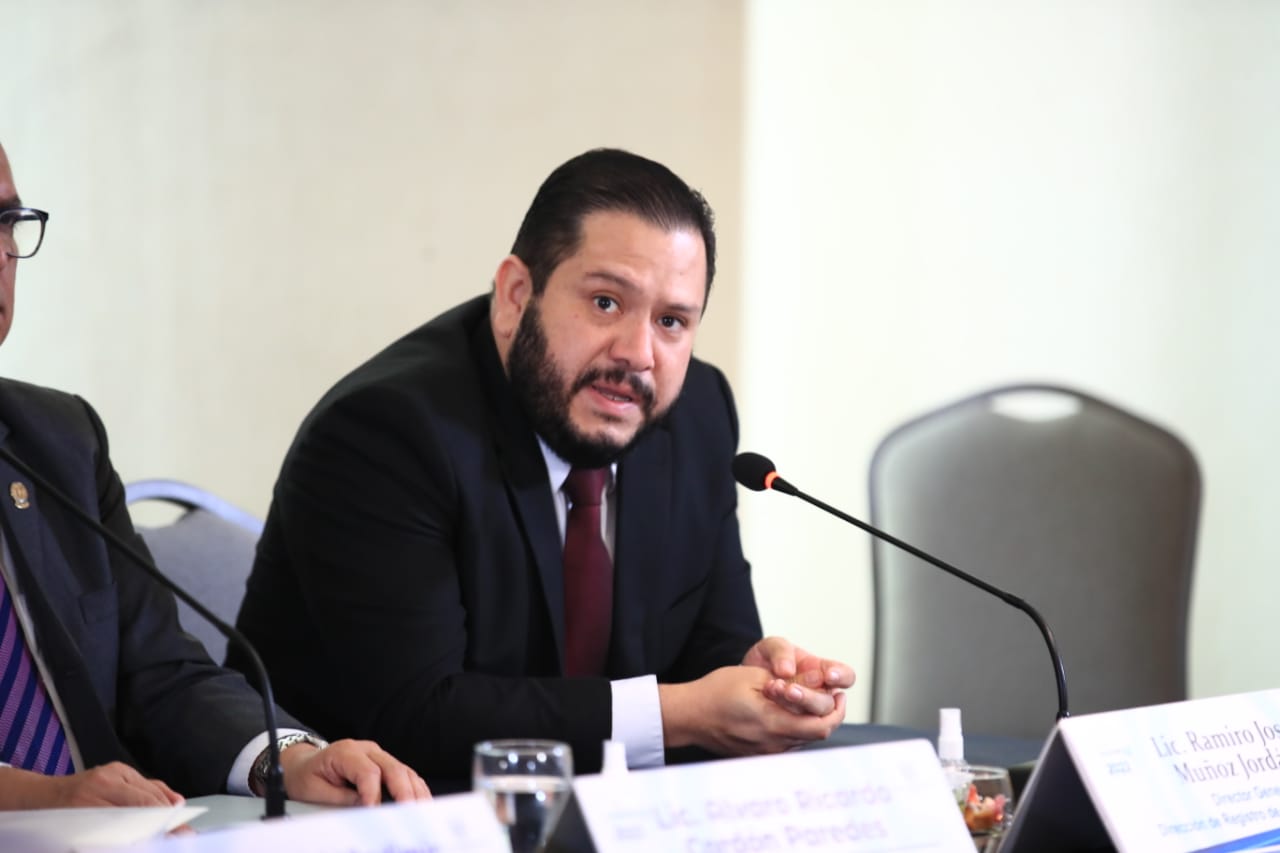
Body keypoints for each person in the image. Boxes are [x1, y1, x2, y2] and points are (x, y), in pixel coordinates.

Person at [231, 148, 854, 792]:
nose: (638, 354)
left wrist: (762, 684)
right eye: (607, 303)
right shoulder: (387, 433)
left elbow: (710, 648)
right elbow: (419, 717)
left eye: (671, 321)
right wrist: (684, 713)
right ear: (515, 296)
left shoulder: (694, 415)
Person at [0, 141, 430, 809]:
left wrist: (288, 758)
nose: (1, 252)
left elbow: (162, 672)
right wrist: (38, 799)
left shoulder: (56, 440)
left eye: (6, 222)